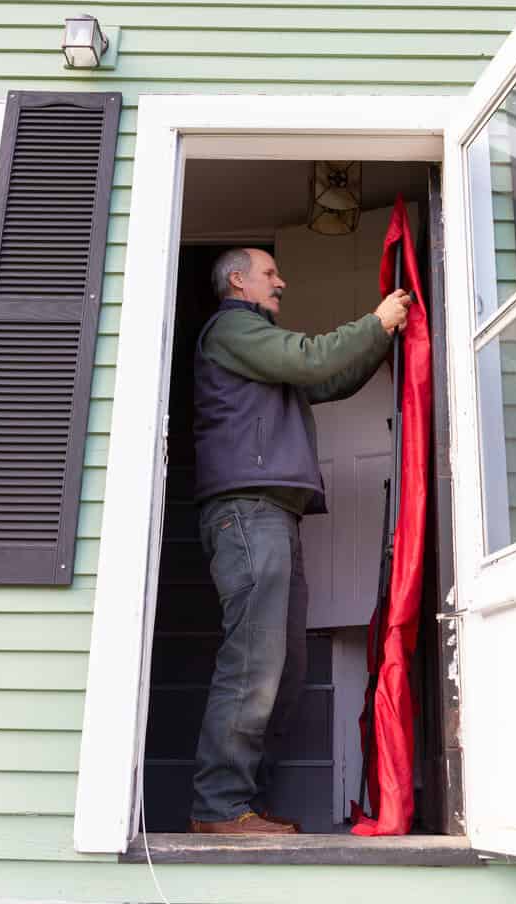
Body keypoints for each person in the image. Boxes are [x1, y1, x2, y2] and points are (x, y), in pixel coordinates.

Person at [189, 246, 411, 836]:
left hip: (272, 516)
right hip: (247, 512)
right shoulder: (234, 328)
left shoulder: (261, 353)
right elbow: (311, 359)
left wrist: (382, 338)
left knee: (282, 668)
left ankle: (243, 805)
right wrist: (375, 322)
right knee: (254, 663)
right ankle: (219, 807)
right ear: (238, 281)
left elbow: (329, 376)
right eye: (270, 273)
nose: (280, 282)